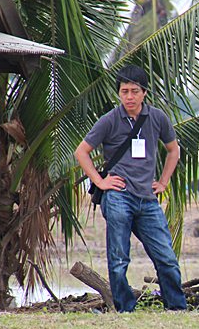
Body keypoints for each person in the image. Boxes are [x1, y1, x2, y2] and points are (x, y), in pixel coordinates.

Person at [73, 65, 187, 312]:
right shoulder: (110, 120)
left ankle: (177, 308)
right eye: (124, 91)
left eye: (135, 91)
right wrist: (100, 181)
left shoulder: (157, 118)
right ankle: (125, 308)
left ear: (144, 92)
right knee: (118, 259)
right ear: (119, 94)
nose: (130, 97)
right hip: (118, 197)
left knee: (166, 257)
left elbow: (173, 150)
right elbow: (81, 152)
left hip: (147, 199)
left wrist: (164, 181)